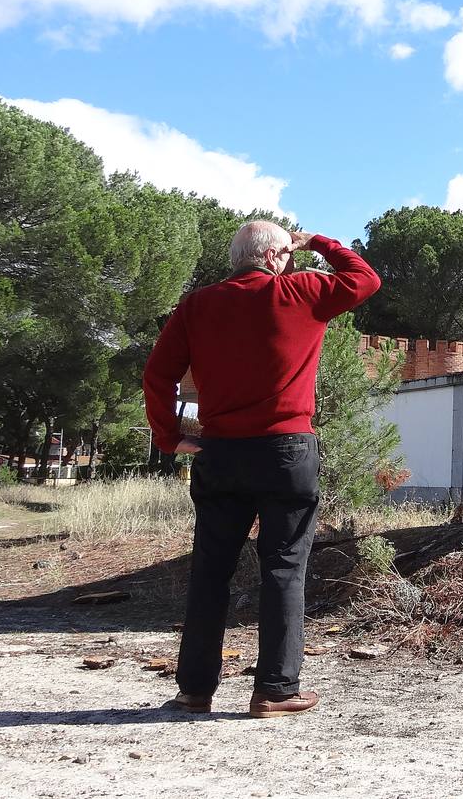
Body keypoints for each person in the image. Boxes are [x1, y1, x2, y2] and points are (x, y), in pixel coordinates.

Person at [143, 221, 381, 718]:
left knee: (210, 570)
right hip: (286, 451)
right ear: (275, 256)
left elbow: (158, 374)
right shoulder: (303, 290)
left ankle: (194, 690)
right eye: (286, 255)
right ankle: (275, 690)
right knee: (283, 568)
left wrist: (170, 437)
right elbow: (364, 279)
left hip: (221, 452)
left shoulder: (196, 306)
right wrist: (316, 242)